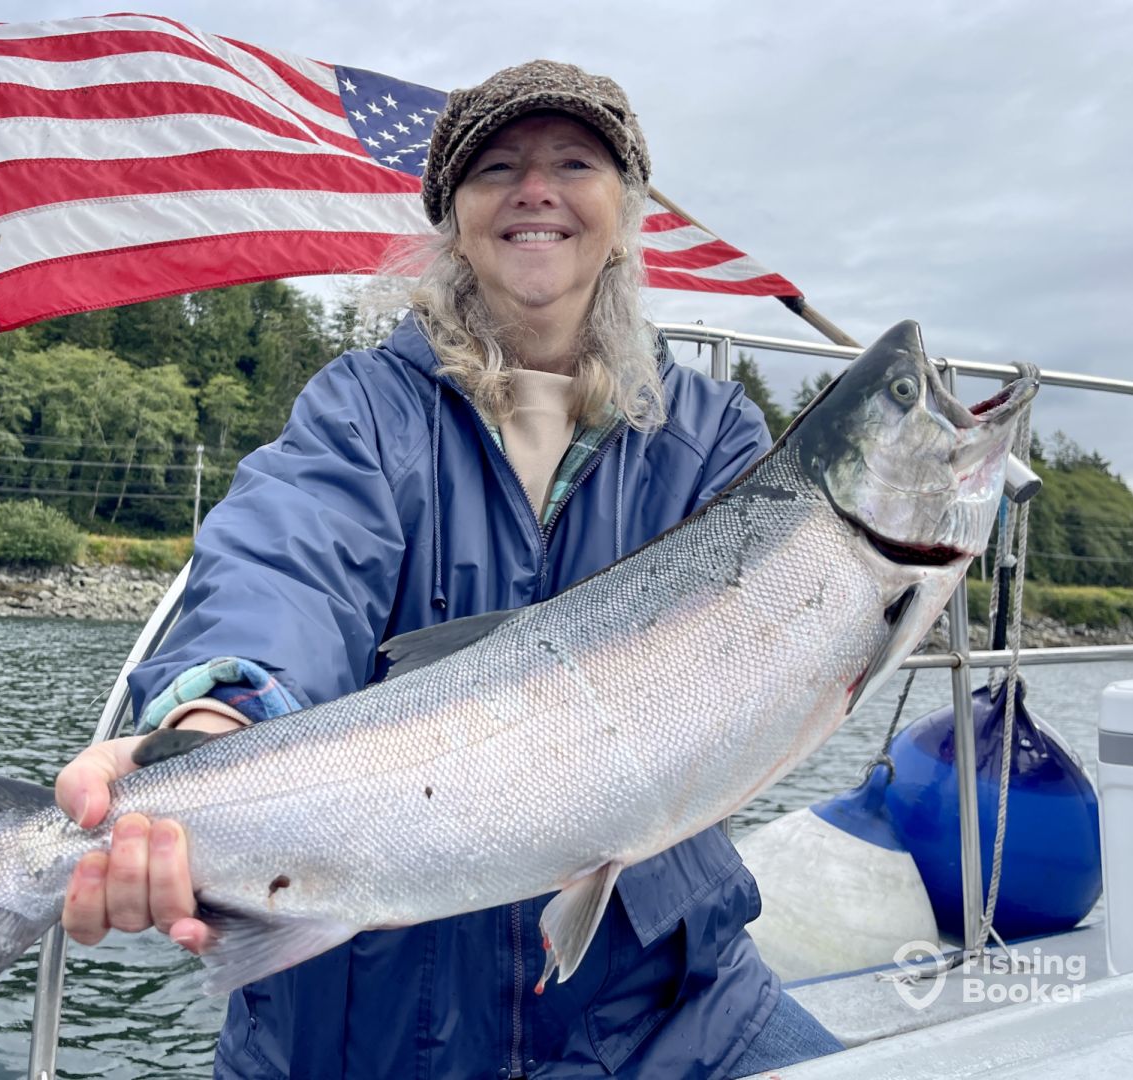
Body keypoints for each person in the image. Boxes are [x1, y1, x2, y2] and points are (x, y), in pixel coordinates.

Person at [55, 59, 844, 1079]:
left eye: (576, 163)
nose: (536, 190)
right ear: (454, 219)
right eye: (496, 168)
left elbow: (793, 626)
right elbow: (287, 566)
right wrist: (216, 722)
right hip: (364, 1035)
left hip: (671, 1012)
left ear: (623, 213)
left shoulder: (714, 433)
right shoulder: (360, 410)